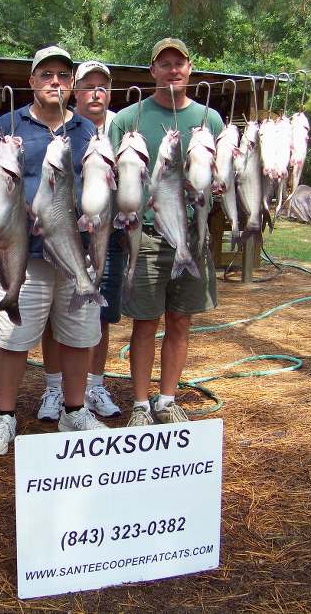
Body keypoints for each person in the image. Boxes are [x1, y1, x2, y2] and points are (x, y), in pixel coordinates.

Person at [0, 45, 107, 457]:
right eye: (45, 74)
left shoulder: (86, 130)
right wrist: (10, 216)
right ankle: (5, 416)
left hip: (73, 252)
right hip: (20, 256)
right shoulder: (6, 127)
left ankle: (74, 409)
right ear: (32, 81)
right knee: (13, 339)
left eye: (63, 76)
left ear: (72, 84)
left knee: (79, 337)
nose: (55, 82)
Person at [108, 38, 223, 426]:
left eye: (180, 63)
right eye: (164, 64)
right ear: (152, 70)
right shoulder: (127, 120)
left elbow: (217, 179)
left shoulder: (210, 120)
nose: (173, 69)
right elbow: (111, 178)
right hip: (148, 236)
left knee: (180, 320)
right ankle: (140, 404)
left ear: (190, 68)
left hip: (192, 234)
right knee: (145, 321)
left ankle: (167, 398)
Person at [38, 60, 124, 421]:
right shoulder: (70, 128)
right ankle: (55, 389)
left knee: (99, 316)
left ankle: (95, 384)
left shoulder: (122, 127)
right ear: (77, 89)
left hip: (110, 234)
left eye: (102, 86)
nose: (96, 93)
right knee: (54, 320)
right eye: (88, 86)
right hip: (69, 239)